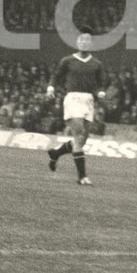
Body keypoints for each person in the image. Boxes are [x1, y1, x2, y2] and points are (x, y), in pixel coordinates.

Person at [46, 26, 106, 185]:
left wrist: (100, 92)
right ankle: (82, 177)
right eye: (81, 39)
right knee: (79, 136)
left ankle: (55, 153)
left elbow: (100, 84)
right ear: (77, 42)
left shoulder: (97, 64)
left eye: (87, 40)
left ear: (91, 43)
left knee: (80, 141)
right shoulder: (67, 60)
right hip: (72, 99)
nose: (84, 42)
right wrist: (51, 87)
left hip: (88, 101)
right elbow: (56, 76)